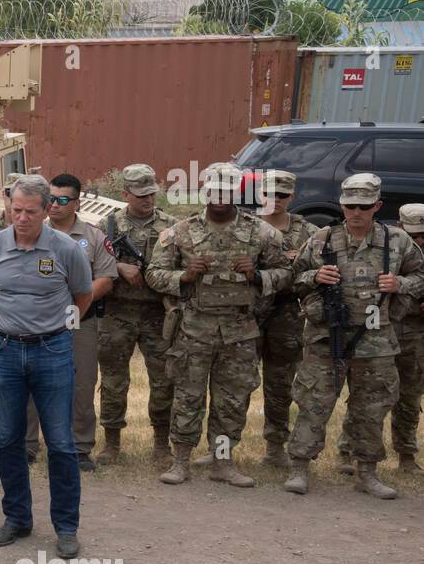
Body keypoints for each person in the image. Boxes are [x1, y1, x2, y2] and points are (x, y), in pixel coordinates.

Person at [0, 175, 93, 560]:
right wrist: (6, 324)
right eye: (16, 210)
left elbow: (83, 296)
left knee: (60, 442)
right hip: (4, 352)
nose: (21, 218)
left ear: (47, 210)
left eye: (30, 211)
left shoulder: (66, 249)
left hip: (52, 352)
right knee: (9, 440)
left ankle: (66, 527)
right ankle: (17, 519)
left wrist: (55, 330)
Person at [283, 175, 424, 498]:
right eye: (349, 206)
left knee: (371, 407)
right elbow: (292, 279)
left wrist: (400, 285)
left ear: (377, 206)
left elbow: (420, 275)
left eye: (363, 206)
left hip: (376, 340)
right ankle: (300, 467)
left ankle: (366, 472)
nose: (356, 212)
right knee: (313, 402)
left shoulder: (398, 242)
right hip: (325, 337)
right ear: (342, 205)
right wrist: (315, 275)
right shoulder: (322, 240)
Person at [146, 163, 286, 488]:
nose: (220, 196)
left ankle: (223, 462)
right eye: (214, 189)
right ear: (206, 190)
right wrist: (184, 276)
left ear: (237, 191)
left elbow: (287, 272)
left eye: (227, 189)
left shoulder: (261, 232)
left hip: (239, 333)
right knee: (187, 397)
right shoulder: (181, 231)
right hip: (193, 330)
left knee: (231, 401)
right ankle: (180, 462)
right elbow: (153, 273)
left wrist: (257, 275)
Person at [23, 173, 116, 470]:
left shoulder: (93, 236)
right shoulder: (31, 232)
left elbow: (106, 278)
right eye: (52, 199)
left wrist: (78, 301)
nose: (56, 205)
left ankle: (78, 447)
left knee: (82, 384)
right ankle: (26, 445)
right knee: (31, 382)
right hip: (37, 322)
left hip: (79, 320)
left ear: (76, 202)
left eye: (63, 200)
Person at [96, 164, 177, 466]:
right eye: (140, 194)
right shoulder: (108, 226)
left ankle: (161, 444)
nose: (147, 199)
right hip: (118, 313)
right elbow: (90, 262)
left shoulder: (171, 226)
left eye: (151, 193)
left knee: (163, 381)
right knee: (114, 381)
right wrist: (118, 268)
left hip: (157, 313)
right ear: (125, 193)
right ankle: (112, 443)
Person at [250, 169, 318, 469]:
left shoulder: (309, 233)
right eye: (268, 194)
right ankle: (222, 448)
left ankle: (275, 448)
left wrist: (298, 263)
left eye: (281, 195)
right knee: (234, 383)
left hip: (287, 313)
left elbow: (319, 275)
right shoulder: (244, 227)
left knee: (279, 384)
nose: (274, 200)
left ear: (292, 197)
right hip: (247, 313)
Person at [389, 204, 424, 473]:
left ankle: (406, 455)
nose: (419, 239)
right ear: (400, 227)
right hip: (381, 330)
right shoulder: (385, 247)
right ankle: (348, 451)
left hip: (415, 334)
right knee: (367, 396)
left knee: (410, 397)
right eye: (414, 233)